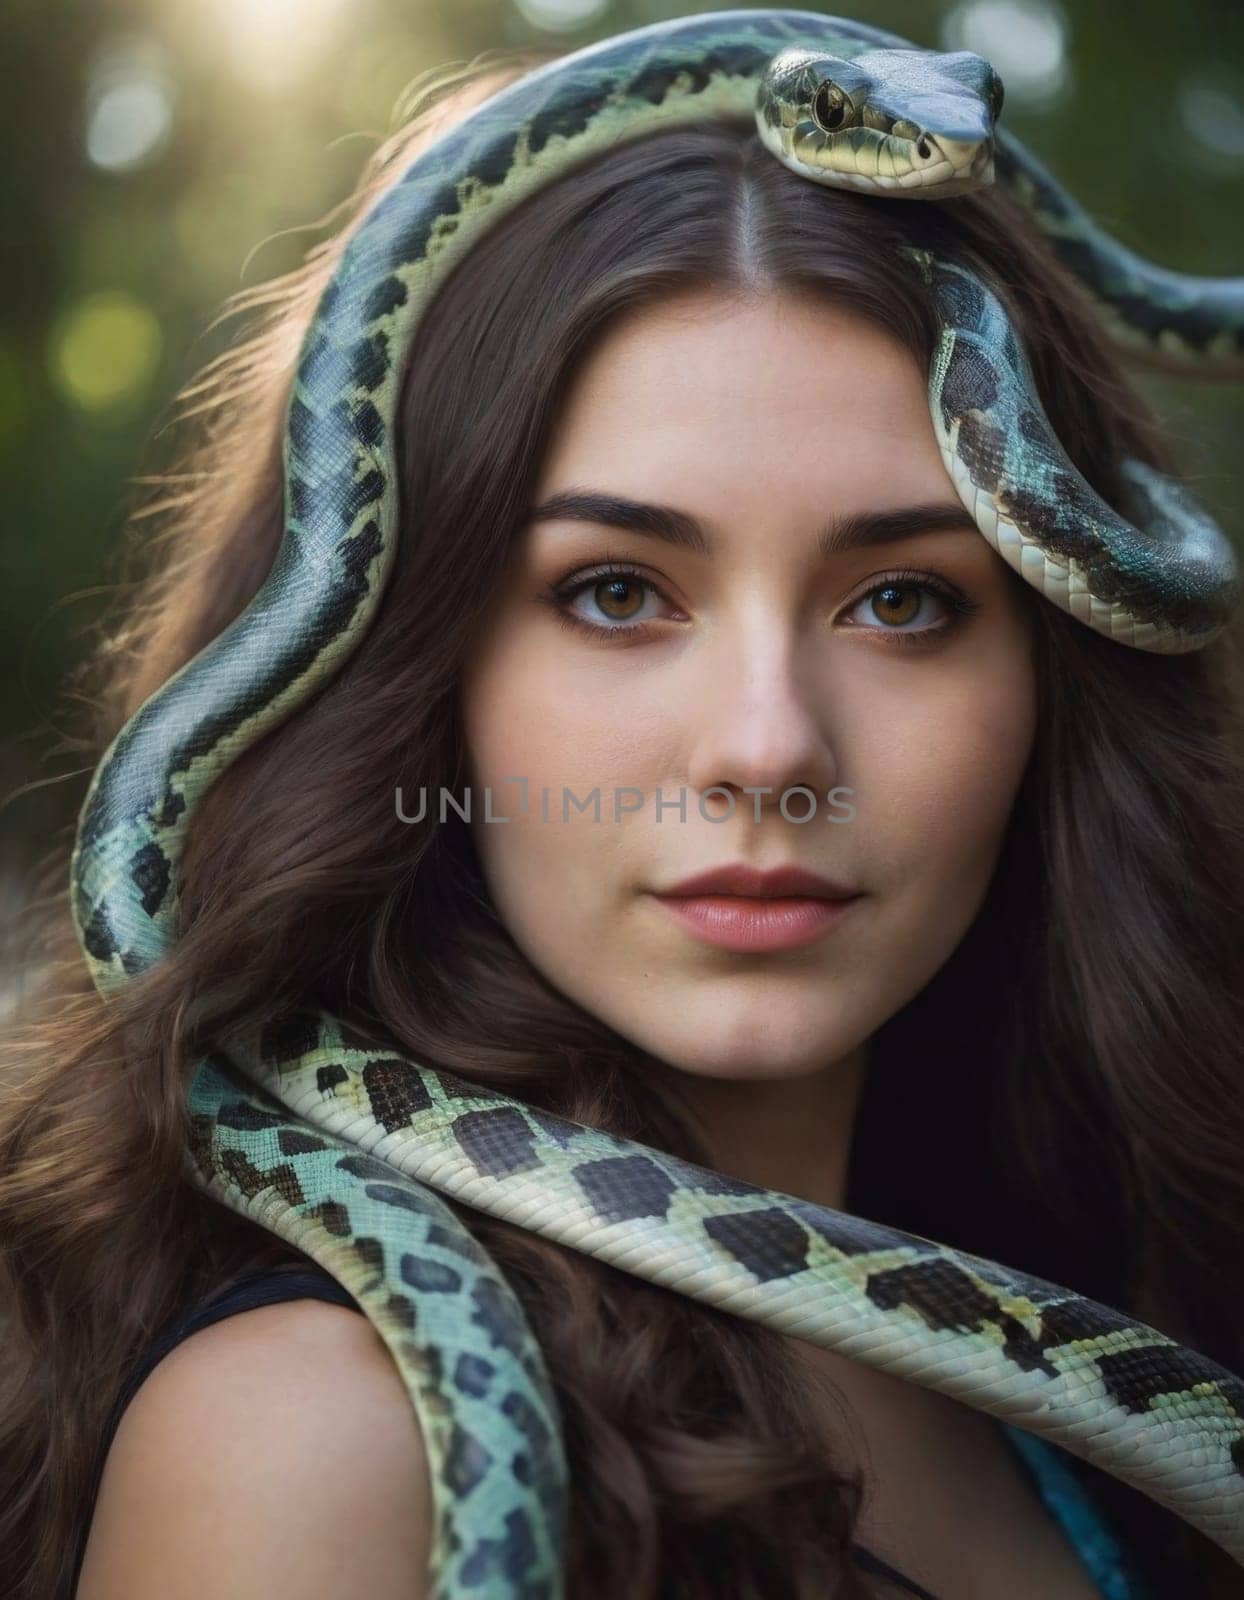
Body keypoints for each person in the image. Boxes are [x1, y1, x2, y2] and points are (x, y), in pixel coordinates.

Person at [1, 40, 1241, 1600]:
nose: (768, 749)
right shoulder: (327, 1447)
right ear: (412, 666)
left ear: (1063, 663)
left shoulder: (1089, 1384)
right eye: (617, 592)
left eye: (904, 600)